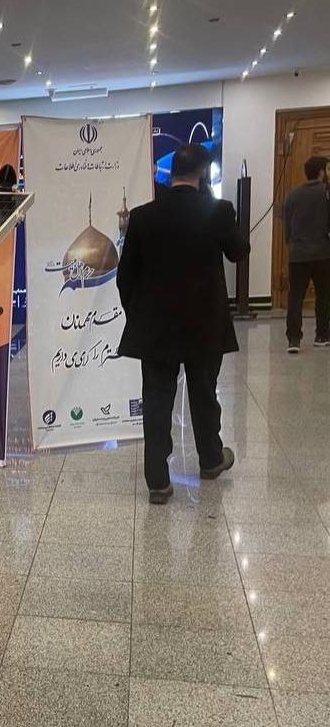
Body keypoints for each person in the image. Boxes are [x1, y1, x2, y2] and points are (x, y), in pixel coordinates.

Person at [117, 144, 250, 504]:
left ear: (173, 172)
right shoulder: (218, 210)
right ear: (203, 173)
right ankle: (211, 459)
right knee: (204, 394)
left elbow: (125, 276)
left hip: (156, 327)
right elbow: (239, 252)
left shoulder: (143, 216)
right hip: (205, 325)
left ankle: (158, 481)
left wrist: (137, 315)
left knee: (157, 400)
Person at [281, 155, 330, 353]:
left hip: (298, 254)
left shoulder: (292, 194)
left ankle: (294, 339)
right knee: (324, 295)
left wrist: (291, 243)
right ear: (321, 172)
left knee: (295, 297)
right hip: (323, 253)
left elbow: (287, 225)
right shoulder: (326, 193)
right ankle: (322, 335)